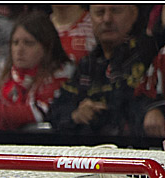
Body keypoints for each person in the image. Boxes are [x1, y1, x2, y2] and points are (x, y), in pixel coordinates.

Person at [48, 4, 158, 136]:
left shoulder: (151, 53)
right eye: (100, 13)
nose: (107, 19)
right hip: (92, 149)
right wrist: (76, 114)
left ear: (133, 14)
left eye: (115, 10)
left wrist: (155, 109)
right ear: (91, 18)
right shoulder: (87, 63)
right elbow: (56, 110)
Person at [0, 12, 72, 132]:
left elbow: (41, 112)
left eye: (28, 43)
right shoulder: (6, 75)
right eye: (15, 43)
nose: (19, 50)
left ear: (47, 46)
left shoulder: (61, 74)